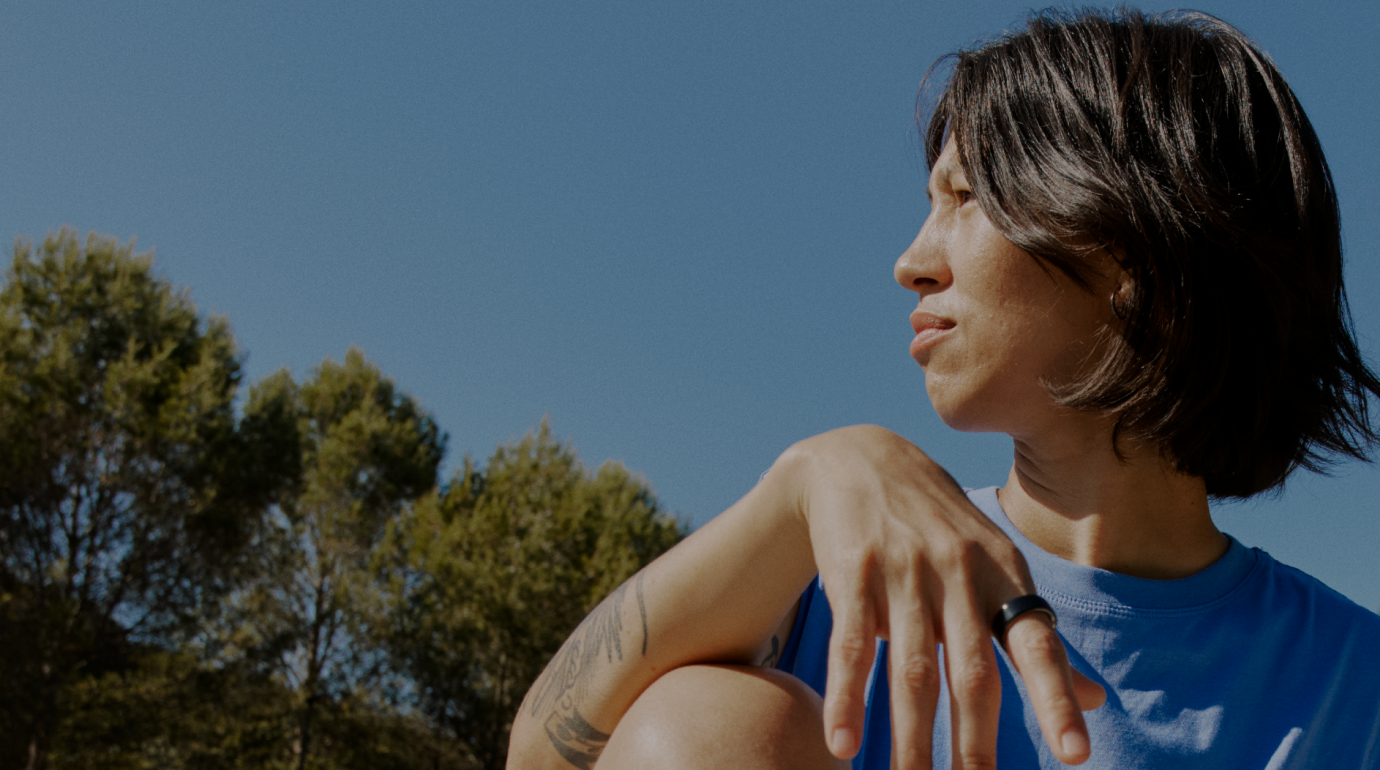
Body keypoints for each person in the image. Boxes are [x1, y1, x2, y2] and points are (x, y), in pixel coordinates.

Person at [506, 7, 1380, 769]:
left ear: (1139, 252)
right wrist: (804, 488)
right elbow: (544, 754)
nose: (911, 263)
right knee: (699, 721)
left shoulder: (1357, 686)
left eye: (966, 198)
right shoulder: (836, 571)